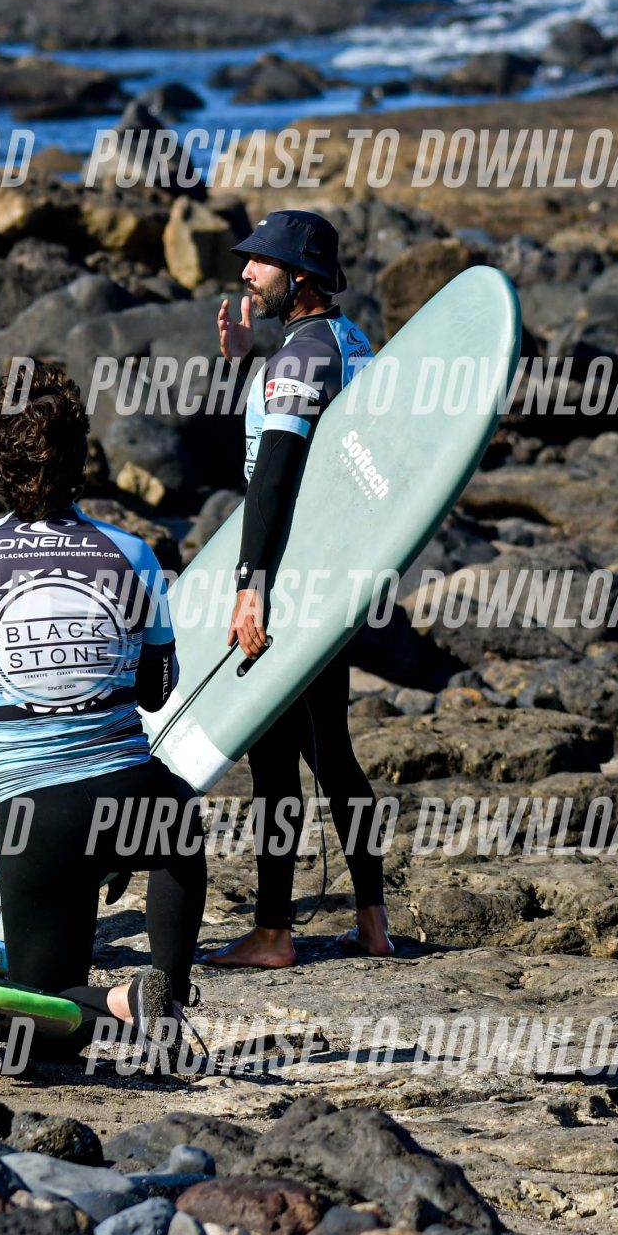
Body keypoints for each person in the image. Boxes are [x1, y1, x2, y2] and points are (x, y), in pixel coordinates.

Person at [0, 366, 200, 1039]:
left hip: (34, 819)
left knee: (43, 1023)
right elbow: (157, 690)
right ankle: (163, 991)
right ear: (80, 459)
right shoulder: (134, 555)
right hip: (130, 797)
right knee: (179, 821)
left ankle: (122, 1001)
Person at [206, 209, 396, 968]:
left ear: (303, 277)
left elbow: (276, 476)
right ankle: (372, 923)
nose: (247, 273)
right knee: (333, 754)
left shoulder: (300, 357)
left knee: (275, 760)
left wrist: (250, 586)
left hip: (287, 575)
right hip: (334, 571)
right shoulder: (348, 343)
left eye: (262, 263)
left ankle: (274, 932)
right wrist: (250, 358)